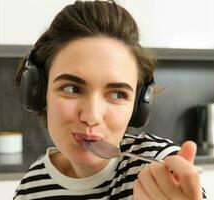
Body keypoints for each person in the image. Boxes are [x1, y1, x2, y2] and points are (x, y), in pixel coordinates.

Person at [13, 1, 203, 199]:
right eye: (72, 89)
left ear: (138, 106)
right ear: (38, 92)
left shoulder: (162, 167)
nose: (91, 116)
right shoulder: (31, 185)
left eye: (117, 94)